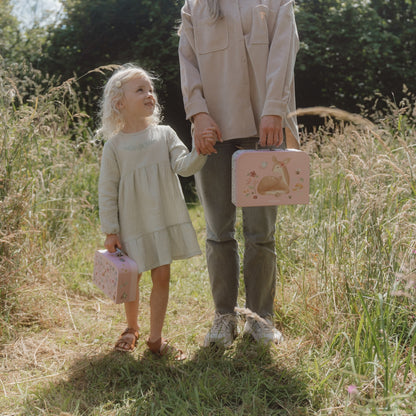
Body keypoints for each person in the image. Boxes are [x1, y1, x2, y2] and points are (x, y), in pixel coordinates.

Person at [178, 0, 300, 347]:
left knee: (261, 232)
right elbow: (188, 63)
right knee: (218, 231)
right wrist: (198, 114)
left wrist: (274, 108)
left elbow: (284, 51)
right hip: (212, 132)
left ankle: (261, 320)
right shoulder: (195, 6)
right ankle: (224, 318)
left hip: (266, 127)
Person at [98, 64, 210, 359]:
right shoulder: (114, 147)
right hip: (131, 224)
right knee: (132, 277)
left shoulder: (165, 134)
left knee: (162, 276)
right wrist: (111, 230)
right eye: (140, 90)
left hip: (162, 219)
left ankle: (155, 338)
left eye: (151, 89)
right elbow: (107, 190)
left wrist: (200, 150)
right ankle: (131, 327)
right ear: (119, 103)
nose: (150, 94)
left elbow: (184, 167)